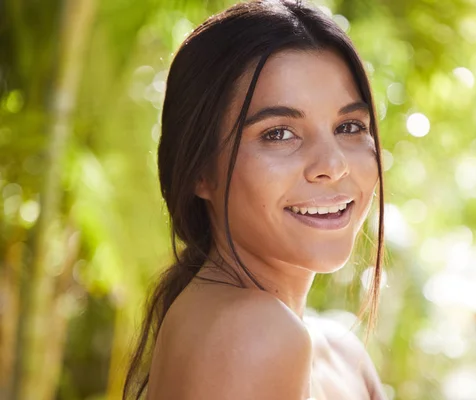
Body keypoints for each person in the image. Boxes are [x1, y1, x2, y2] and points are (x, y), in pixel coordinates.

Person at [123, 0, 387, 398]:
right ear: (200, 170)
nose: (332, 165)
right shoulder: (253, 335)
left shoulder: (341, 352)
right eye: (279, 133)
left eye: (349, 126)